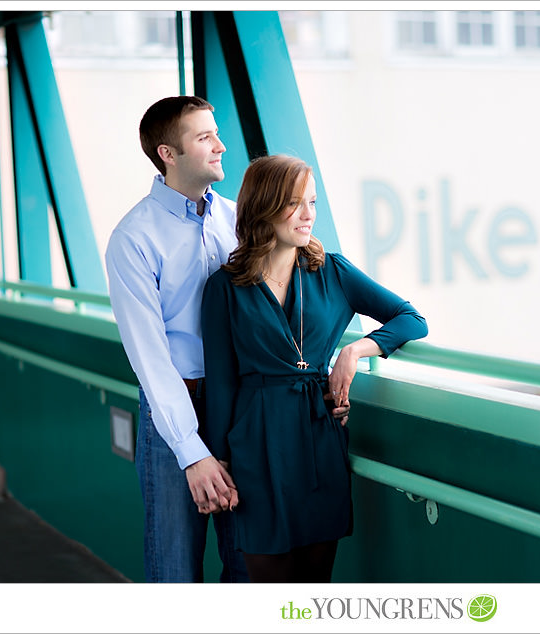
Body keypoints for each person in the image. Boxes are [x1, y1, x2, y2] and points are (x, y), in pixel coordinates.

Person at [105, 97, 352, 581]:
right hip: (178, 409)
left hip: (245, 410)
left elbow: (287, 300)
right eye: (204, 138)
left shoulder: (239, 220)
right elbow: (151, 360)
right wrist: (193, 453)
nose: (221, 145)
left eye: (216, 133)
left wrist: (341, 358)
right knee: (176, 565)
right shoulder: (133, 239)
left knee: (247, 565)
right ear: (167, 154)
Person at [200, 154, 428, 582]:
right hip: (256, 445)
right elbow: (222, 384)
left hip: (319, 435)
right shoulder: (224, 288)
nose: (308, 216)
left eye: (313, 202)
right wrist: (220, 460)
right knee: (270, 580)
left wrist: (354, 352)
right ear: (263, 208)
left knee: (314, 584)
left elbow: (411, 319)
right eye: (294, 203)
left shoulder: (332, 271)